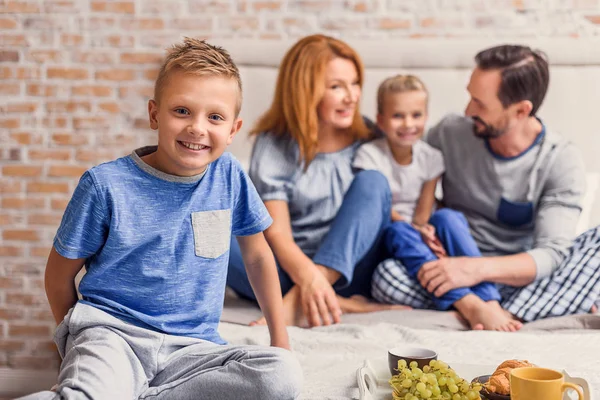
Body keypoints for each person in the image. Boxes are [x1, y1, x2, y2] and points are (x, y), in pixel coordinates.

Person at [19, 38, 302, 400]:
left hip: (193, 349)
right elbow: (58, 276)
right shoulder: (105, 185)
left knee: (281, 376)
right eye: (182, 111)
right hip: (113, 336)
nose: (197, 128)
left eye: (215, 117)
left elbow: (259, 256)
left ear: (233, 129)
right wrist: (75, 345)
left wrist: (280, 340)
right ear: (155, 114)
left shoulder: (228, 175)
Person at [372, 44, 600, 328]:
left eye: (480, 104)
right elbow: (407, 176)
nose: (468, 110)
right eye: (470, 97)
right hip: (451, 266)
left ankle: (491, 311)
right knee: (386, 276)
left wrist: (474, 270)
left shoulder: (559, 159)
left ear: (520, 111)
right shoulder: (449, 133)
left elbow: (551, 253)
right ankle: (486, 308)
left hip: (516, 276)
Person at [227, 34, 406, 328]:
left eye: (355, 83)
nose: (352, 96)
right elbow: (278, 235)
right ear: (304, 91)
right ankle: (329, 299)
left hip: (354, 269)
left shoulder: (370, 138)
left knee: (374, 182)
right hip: (290, 269)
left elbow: (377, 209)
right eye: (337, 87)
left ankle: (295, 304)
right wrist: (309, 278)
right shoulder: (274, 144)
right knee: (220, 230)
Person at [352, 75, 518, 331]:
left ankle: (489, 300)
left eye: (416, 115)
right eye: (398, 116)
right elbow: (379, 209)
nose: (408, 124)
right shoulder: (369, 155)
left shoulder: (431, 158)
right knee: (399, 230)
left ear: (426, 117)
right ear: (381, 120)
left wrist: (425, 231)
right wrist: (414, 231)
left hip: (416, 232)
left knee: (447, 217)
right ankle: (466, 302)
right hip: (386, 233)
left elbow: (423, 210)